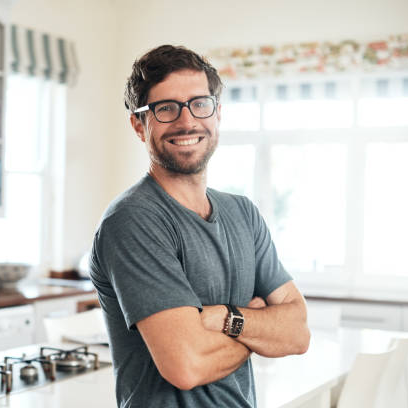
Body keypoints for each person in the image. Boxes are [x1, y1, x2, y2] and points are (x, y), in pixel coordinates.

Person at [89, 45, 310, 408]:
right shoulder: (133, 221)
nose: (187, 121)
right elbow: (186, 366)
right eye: (166, 108)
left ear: (217, 113)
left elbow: (297, 333)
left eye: (199, 103)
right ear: (138, 125)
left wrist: (223, 317)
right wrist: (259, 327)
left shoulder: (243, 213)